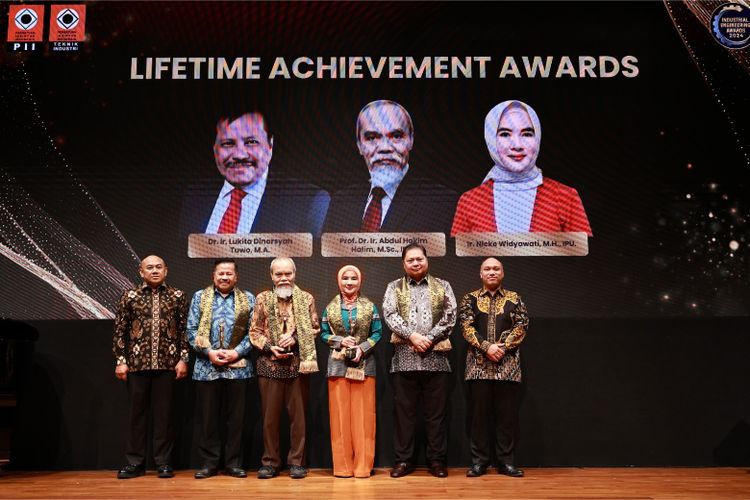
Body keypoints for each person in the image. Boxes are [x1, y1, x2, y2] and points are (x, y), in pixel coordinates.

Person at [451, 100, 592, 236]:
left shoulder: (566, 197)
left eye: (527, 134)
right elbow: (457, 258)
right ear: (490, 138)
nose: (517, 144)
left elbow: (588, 257)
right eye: (505, 134)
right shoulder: (469, 200)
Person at [181, 110, 330, 236]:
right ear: (215, 149)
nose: (239, 155)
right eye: (228, 143)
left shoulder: (309, 201)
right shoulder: (194, 196)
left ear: (270, 146)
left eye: (251, 142)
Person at [323, 100, 457, 233]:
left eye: (396, 136)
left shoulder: (443, 202)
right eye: (371, 137)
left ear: (411, 140)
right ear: (359, 145)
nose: (385, 148)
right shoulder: (340, 202)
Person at [383, 243, 457, 478]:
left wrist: (429, 338)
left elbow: (450, 316)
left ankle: (436, 461)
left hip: (436, 359)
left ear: (427, 260)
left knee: (436, 416)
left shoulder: (443, 285)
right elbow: (389, 314)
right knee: (404, 415)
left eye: (419, 259)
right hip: (404, 360)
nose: (416, 263)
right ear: (403, 263)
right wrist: (413, 336)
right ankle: (403, 461)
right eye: (410, 260)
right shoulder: (393, 287)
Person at [112, 255, 188, 479]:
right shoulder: (130, 296)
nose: (154, 271)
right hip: (137, 365)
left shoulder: (177, 296)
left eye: (158, 267)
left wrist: (183, 358)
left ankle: (163, 462)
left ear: (166, 270)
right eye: (149, 267)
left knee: (164, 417)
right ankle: (135, 463)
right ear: (141, 271)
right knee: (137, 416)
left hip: (167, 364)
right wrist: (121, 361)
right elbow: (120, 331)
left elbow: (184, 331)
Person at [249, 257, 320, 479]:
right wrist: (271, 347)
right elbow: (254, 332)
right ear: (271, 276)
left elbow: (315, 328)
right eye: (278, 274)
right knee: (269, 420)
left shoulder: (306, 298)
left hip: (298, 365)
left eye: (287, 273)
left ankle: (297, 462)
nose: (283, 278)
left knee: (298, 418)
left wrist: (296, 338)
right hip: (269, 365)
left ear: (294, 274)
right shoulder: (262, 298)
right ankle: (270, 462)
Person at [186, 259, 256, 479]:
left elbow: (254, 332)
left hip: (239, 368)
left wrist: (237, 352)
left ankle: (234, 463)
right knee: (208, 419)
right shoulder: (200, 297)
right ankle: (209, 463)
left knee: (236, 419)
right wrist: (209, 353)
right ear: (213, 276)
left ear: (236, 277)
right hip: (207, 367)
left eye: (229, 274)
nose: (225, 277)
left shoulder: (249, 299)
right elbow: (191, 329)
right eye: (221, 273)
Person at [460, 258, 528, 478]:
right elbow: (466, 327)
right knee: (479, 417)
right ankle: (479, 462)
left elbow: (522, 326)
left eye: (495, 269)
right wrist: (487, 347)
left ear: (502, 273)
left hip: (507, 367)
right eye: (487, 269)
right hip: (478, 367)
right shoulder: (469, 299)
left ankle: (506, 462)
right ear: (480, 274)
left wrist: (503, 347)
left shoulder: (514, 298)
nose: (491, 272)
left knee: (506, 417)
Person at [320, 265, 381, 478]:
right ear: (339, 281)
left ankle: (363, 467)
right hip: (338, 366)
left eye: (353, 278)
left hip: (364, 365)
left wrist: (362, 348)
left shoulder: (370, 307)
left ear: (360, 281)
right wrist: (339, 340)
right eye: (345, 278)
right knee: (339, 418)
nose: (349, 282)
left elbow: (377, 333)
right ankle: (342, 467)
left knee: (364, 418)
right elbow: (324, 334)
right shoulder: (330, 307)